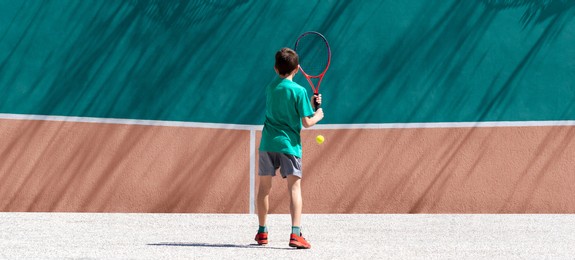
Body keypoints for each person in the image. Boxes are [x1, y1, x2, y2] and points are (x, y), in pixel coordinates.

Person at [254, 47, 324, 249]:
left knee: (264, 189)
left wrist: (309, 104)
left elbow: (285, 106)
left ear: (275, 69)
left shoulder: (270, 88)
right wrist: (317, 114)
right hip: (289, 146)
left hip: (267, 143)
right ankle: (295, 234)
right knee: (294, 188)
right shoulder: (300, 91)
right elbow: (307, 122)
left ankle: (262, 232)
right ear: (297, 69)